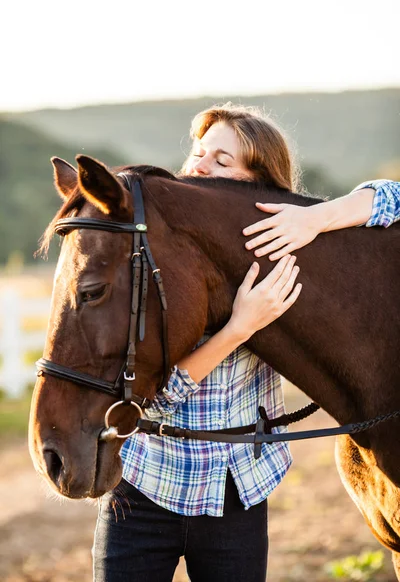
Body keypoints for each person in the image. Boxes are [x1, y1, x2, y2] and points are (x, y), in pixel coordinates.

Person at [93, 103, 400, 582]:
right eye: (199, 153)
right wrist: (241, 327)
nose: (199, 166)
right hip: (146, 486)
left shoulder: (278, 242)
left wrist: (317, 218)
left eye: (221, 160)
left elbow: (393, 196)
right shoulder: (166, 264)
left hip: (235, 492)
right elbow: (146, 405)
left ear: (258, 180)